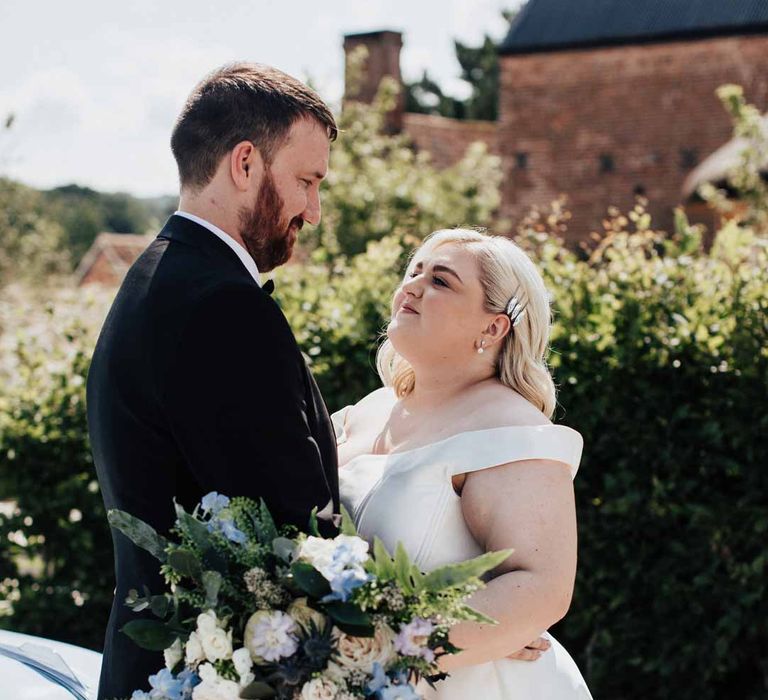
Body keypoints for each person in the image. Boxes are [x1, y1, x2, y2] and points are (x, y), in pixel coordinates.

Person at [86, 63, 341, 699]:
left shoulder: (153, 277)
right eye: (307, 182)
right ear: (246, 164)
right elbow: (294, 534)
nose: (313, 210)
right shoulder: (220, 307)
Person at [332, 228, 593, 698]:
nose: (411, 287)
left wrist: (380, 649)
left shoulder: (508, 426)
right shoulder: (367, 408)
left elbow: (542, 587)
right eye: (413, 272)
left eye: (441, 281)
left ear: (493, 328)